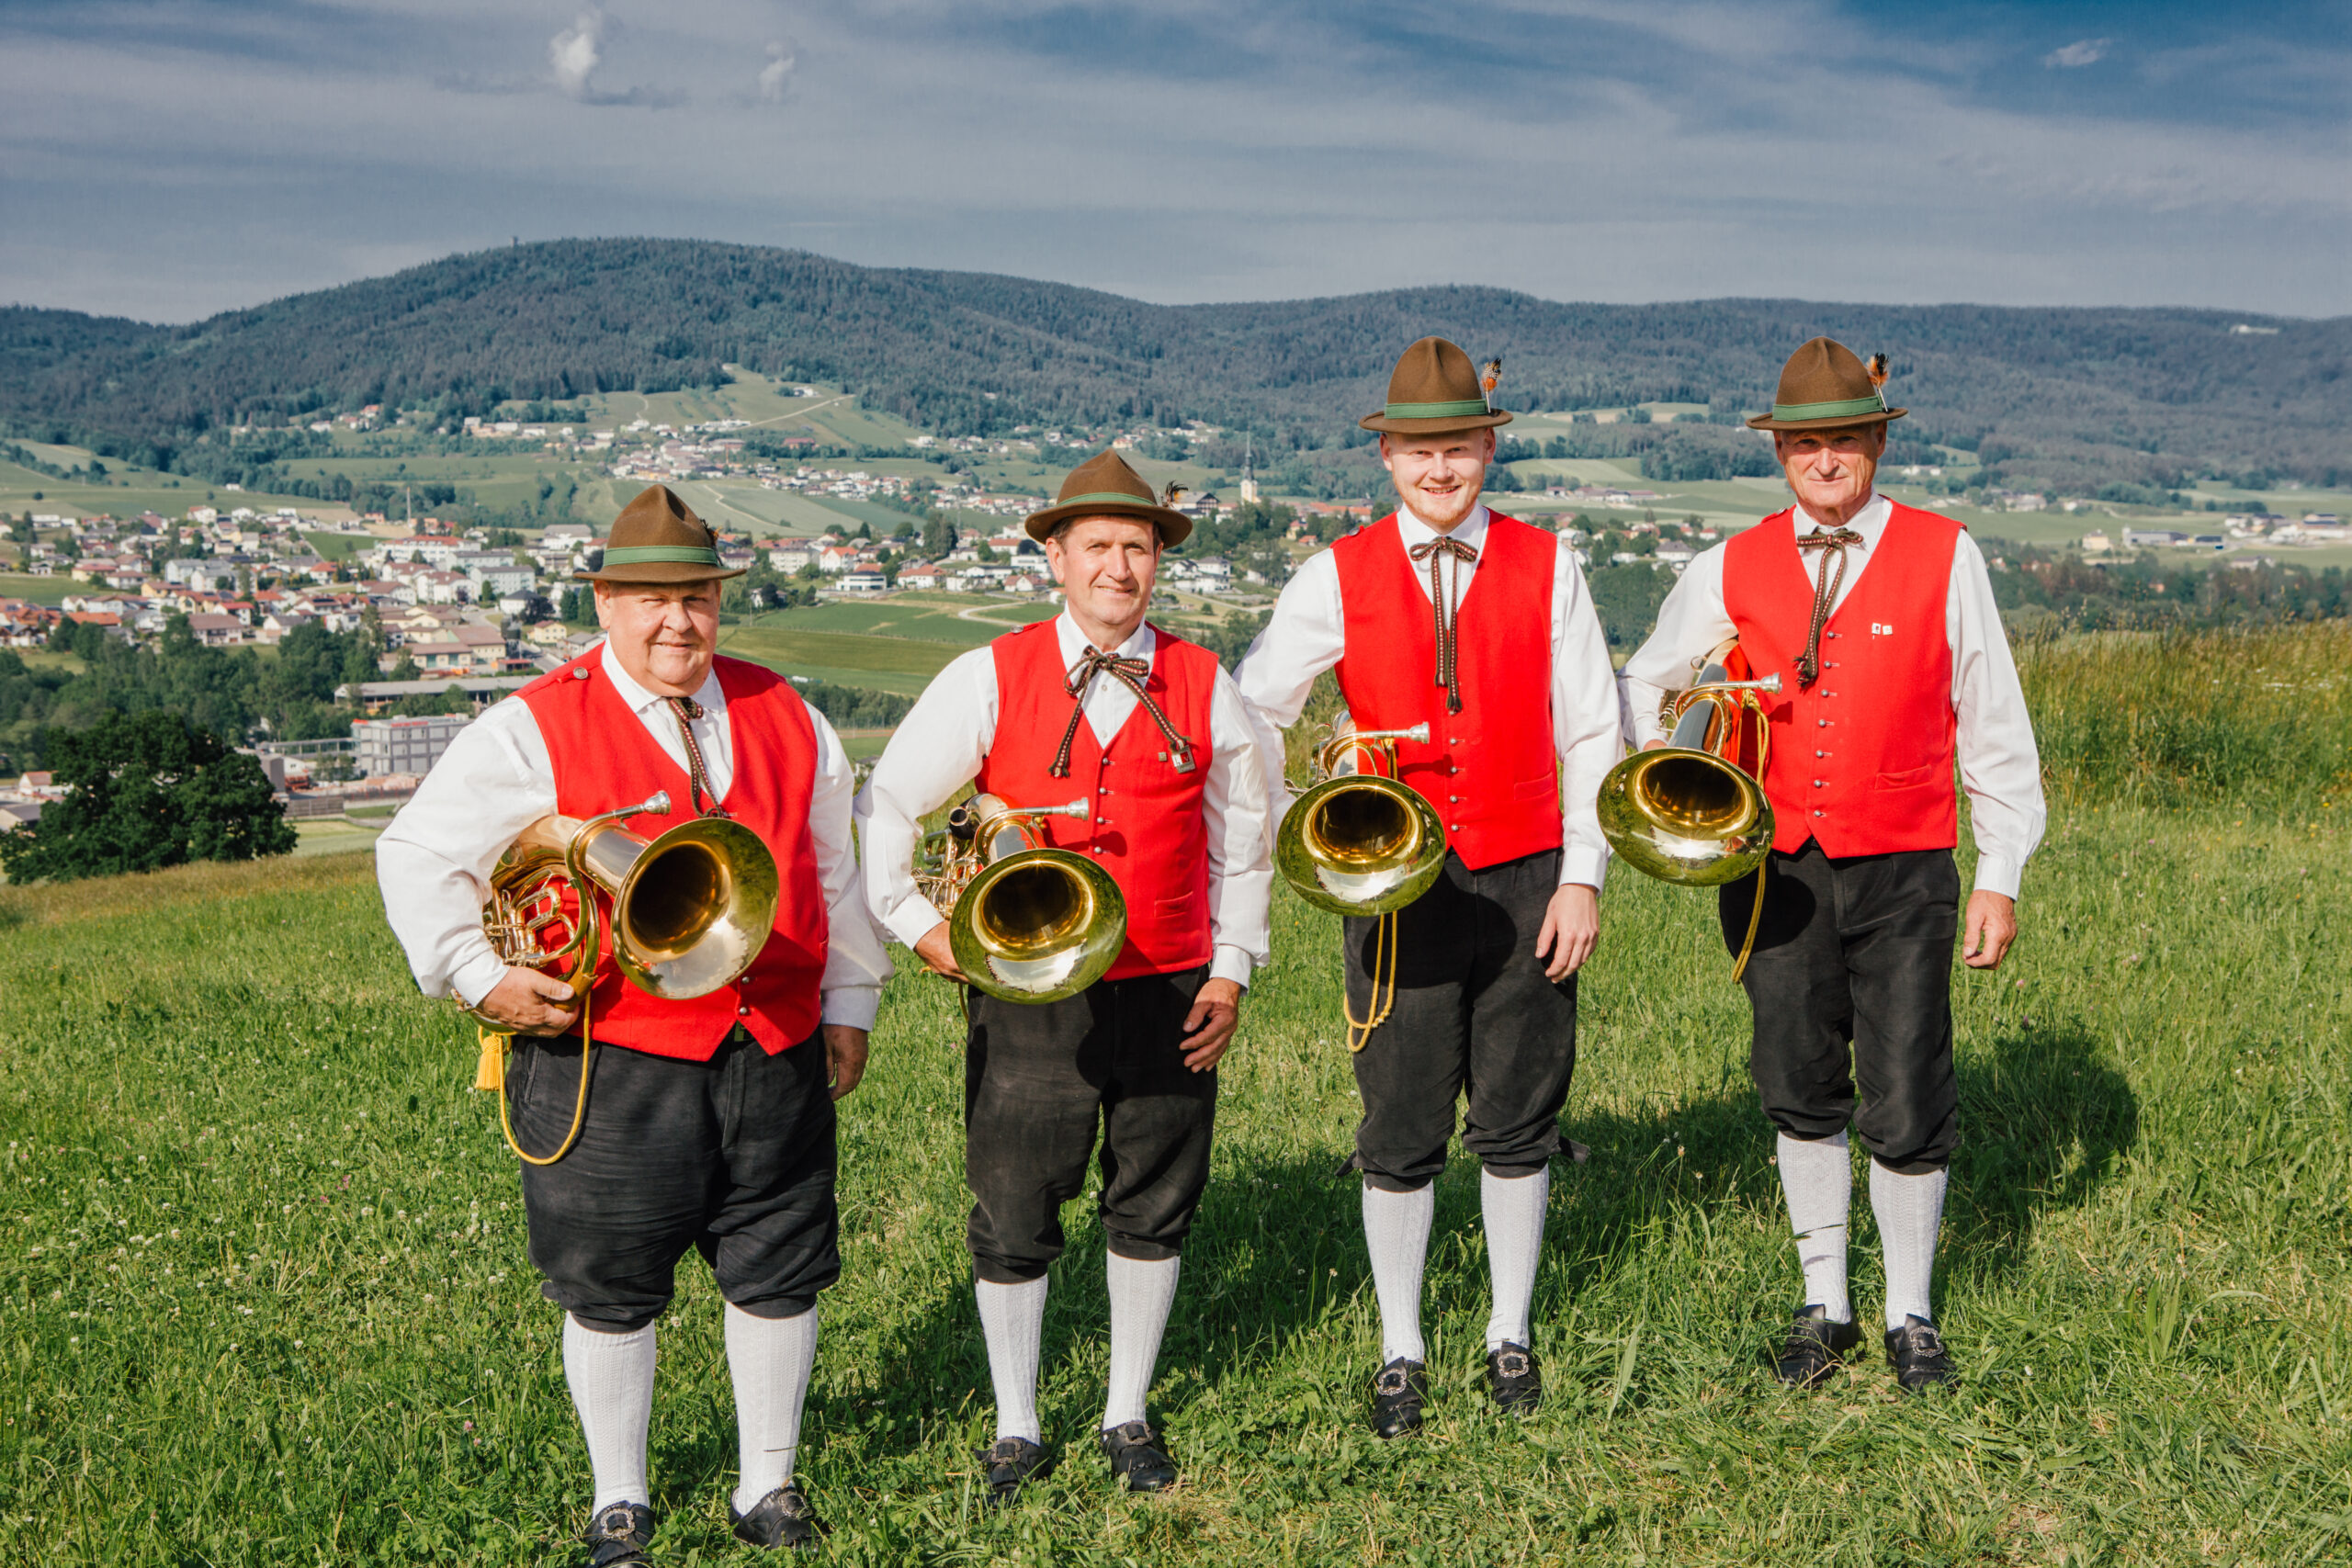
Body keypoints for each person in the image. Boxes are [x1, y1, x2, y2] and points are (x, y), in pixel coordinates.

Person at [377, 485, 891, 1562]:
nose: (678, 624)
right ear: (604, 605)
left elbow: (832, 870)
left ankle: (769, 1488)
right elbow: (417, 855)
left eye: (697, 598)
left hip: (775, 1039)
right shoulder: (534, 722)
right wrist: (479, 977)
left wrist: (849, 1001)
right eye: (650, 599)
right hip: (611, 1051)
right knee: (611, 1280)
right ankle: (623, 1500)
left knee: (778, 1261)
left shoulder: (786, 712)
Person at [1620, 337, 2044, 1393]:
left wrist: (2001, 869)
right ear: (1780, 453)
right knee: (1798, 1080)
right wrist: (1682, 768)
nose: (1824, 460)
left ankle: (1910, 1311)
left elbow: (1991, 721)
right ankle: (1827, 1303)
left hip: (1905, 862)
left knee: (1905, 1086)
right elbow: (1642, 683)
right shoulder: (1729, 563)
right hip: (1778, 867)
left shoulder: (1947, 554)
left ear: (1875, 444)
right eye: (1805, 442)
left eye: (1843, 440)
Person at [857, 451, 1273, 1504]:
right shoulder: (986, 675)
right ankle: (1016, 1422)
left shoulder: (1205, 682)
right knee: (1013, 1204)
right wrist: (918, 926)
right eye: (1097, 545)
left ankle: (1126, 1411)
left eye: (1137, 547)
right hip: (1031, 987)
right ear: (1055, 556)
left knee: (1154, 1199)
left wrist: (1229, 973)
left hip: (1169, 982)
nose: (1119, 567)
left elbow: (1246, 845)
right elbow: (887, 807)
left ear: (1157, 562)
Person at [1234, 337, 1622, 1436]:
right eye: (1418, 450)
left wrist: (1581, 878)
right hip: (1392, 885)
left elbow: (1594, 728)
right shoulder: (1336, 573)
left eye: (1458, 446)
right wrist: (1315, 802)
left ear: (1488, 448)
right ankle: (1401, 1344)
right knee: (1398, 1120)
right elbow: (1252, 710)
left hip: (1526, 872)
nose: (1439, 469)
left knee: (1518, 1113)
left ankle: (1509, 1331)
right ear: (1387, 458)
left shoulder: (1552, 564)